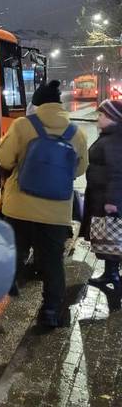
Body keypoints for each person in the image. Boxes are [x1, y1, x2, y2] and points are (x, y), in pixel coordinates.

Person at [0, 80, 88, 328]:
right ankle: (50, 312)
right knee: (52, 265)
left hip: (19, 209)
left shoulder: (23, 126)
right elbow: (80, 169)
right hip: (55, 213)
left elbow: (3, 157)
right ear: (59, 105)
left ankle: (5, 290)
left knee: (13, 252)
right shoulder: (76, 133)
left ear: (36, 104)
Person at [79, 99, 122, 308]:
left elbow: (117, 172)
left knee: (111, 234)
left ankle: (113, 275)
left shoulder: (115, 139)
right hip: (100, 194)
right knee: (108, 236)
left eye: (102, 115)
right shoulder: (110, 135)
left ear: (113, 118)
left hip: (106, 197)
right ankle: (110, 272)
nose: (99, 118)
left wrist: (112, 201)